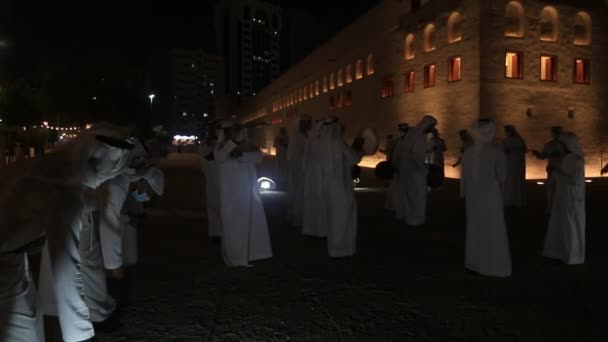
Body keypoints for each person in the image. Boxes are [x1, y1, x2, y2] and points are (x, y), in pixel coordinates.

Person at [0, 124, 134, 342]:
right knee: (21, 331)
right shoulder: (65, 192)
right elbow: (66, 268)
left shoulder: (43, 166)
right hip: (5, 265)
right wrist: (80, 333)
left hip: (12, 259)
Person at [215, 124, 272, 267]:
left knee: (247, 223)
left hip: (247, 193)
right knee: (232, 225)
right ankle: (235, 257)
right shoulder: (221, 146)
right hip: (230, 194)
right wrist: (233, 144)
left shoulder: (247, 145)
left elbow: (257, 156)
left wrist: (241, 154)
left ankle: (248, 254)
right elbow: (220, 157)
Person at [461, 118, 512, 278]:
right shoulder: (496, 152)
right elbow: (502, 176)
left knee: (475, 227)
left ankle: (475, 261)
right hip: (490, 197)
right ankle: (493, 264)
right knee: (492, 228)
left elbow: (464, 177)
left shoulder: (468, 152)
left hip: (473, 196)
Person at [320, 118, 364, 257]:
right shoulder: (338, 143)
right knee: (343, 217)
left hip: (328, 186)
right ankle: (342, 249)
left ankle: (334, 249)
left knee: (334, 217)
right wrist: (360, 149)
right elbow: (353, 159)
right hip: (341, 187)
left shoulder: (320, 144)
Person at [542, 132, 585, 265]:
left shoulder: (576, 160)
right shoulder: (567, 158)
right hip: (562, 195)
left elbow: (573, 180)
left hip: (570, 196)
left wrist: (555, 170)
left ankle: (571, 254)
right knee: (559, 222)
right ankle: (558, 251)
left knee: (570, 224)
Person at [393, 115, 437, 227]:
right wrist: (425, 169)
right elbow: (418, 156)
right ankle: (415, 219)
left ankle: (406, 215)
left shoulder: (411, 134)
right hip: (416, 172)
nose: (431, 129)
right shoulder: (421, 137)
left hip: (405, 170)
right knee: (417, 196)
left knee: (407, 195)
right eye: (431, 126)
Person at [301, 120, 330, 237]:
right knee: (320, 199)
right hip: (319, 175)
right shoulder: (320, 142)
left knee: (313, 199)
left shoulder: (311, 141)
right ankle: (321, 228)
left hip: (312, 175)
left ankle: (312, 227)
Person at [532, 126, 565, 213]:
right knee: (551, 191)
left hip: (562, 171)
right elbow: (543, 156)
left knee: (561, 191)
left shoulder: (565, 145)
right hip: (551, 171)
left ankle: (560, 209)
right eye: (554, 133)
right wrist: (537, 154)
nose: (555, 135)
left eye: (557, 133)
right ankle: (551, 209)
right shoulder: (548, 145)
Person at [287, 115, 312, 227]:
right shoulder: (297, 137)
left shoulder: (305, 136)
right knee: (298, 192)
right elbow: (295, 155)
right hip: (298, 169)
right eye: (305, 123)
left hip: (305, 168)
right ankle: (298, 217)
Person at [200, 126, 223, 239]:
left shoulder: (221, 144)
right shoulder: (206, 144)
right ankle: (215, 233)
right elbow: (206, 156)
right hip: (212, 178)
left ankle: (222, 231)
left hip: (222, 179)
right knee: (213, 205)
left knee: (221, 206)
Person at [502, 125, 527, 207]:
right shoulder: (505, 140)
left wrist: (512, 150)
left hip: (516, 164)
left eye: (507, 131)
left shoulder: (518, 140)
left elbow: (523, 149)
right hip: (508, 164)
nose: (506, 133)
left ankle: (516, 199)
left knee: (516, 181)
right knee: (508, 182)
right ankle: (508, 199)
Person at [386, 124, 408, 215]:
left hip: (403, 168)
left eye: (402, 129)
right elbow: (393, 153)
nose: (400, 131)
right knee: (394, 188)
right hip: (396, 168)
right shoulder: (398, 141)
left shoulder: (407, 141)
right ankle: (394, 206)